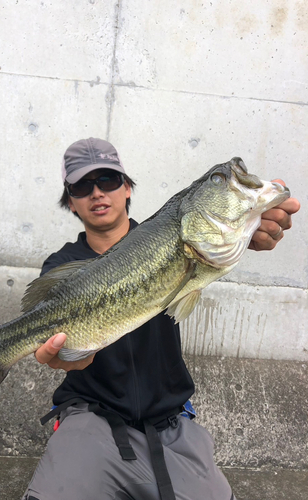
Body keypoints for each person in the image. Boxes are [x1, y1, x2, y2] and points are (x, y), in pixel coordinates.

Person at [22, 138, 300, 500]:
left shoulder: (171, 234)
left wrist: (248, 226)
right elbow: (55, 345)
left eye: (107, 180)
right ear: (70, 202)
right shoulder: (61, 267)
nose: (96, 193)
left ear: (127, 188)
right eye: (81, 186)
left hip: (171, 423)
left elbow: (205, 244)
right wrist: (68, 356)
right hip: (91, 419)